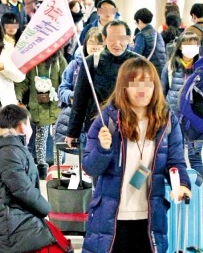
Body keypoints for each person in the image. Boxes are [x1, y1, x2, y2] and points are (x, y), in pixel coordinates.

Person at [81, 57, 191, 253]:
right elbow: (90, 167)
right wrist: (103, 148)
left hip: (150, 218)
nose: (143, 89)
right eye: (135, 83)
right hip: (111, 218)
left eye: (148, 82)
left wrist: (182, 184)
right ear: (124, 87)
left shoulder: (166, 121)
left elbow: (175, 161)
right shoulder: (107, 121)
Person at [0, 104, 56, 252]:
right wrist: (47, 210)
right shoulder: (9, 151)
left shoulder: (5, 146)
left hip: (8, 218)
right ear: (21, 127)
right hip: (8, 223)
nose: (31, 130)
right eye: (29, 125)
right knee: (54, 242)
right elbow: (22, 189)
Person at [66, 20, 142, 149]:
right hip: (97, 127)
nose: (117, 43)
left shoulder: (138, 63)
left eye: (121, 38)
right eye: (112, 38)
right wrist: (73, 132)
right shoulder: (91, 62)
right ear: (104, 38)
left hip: (130, 127)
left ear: (129, 39)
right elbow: (80, 99)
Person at [14, 50, 68, 179]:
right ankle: (42, 167)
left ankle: (57, 168)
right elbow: (23, 82)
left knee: (58, 137)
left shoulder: (60, 60)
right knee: (40, 137)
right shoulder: (32, 61)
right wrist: (18, 98)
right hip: (38, 108)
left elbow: (66, 82)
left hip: (56, 106)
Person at [160, 31, 203, 183]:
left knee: (195, 155)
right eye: (187, 45)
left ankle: (198, 191)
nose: (191, 48)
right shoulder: (170, 67)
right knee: (173, 154)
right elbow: (162, 92)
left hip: (195, 118)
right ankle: (175, 188)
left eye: (194, 45)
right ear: (179, 47)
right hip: (174, 118)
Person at [55, 27, 103, 145]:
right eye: (91, 42)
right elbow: (62, 89)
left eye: (98, 43)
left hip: (100, 116)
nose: (94, 46)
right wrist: (72, 96)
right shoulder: (75, 64)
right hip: (78, 116)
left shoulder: (107, 66)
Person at [132, 8, 168, 75]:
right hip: (162, 71)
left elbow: (135, 56)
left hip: (149, 72)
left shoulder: (141, 35)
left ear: (139, 21)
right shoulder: (158, 34)